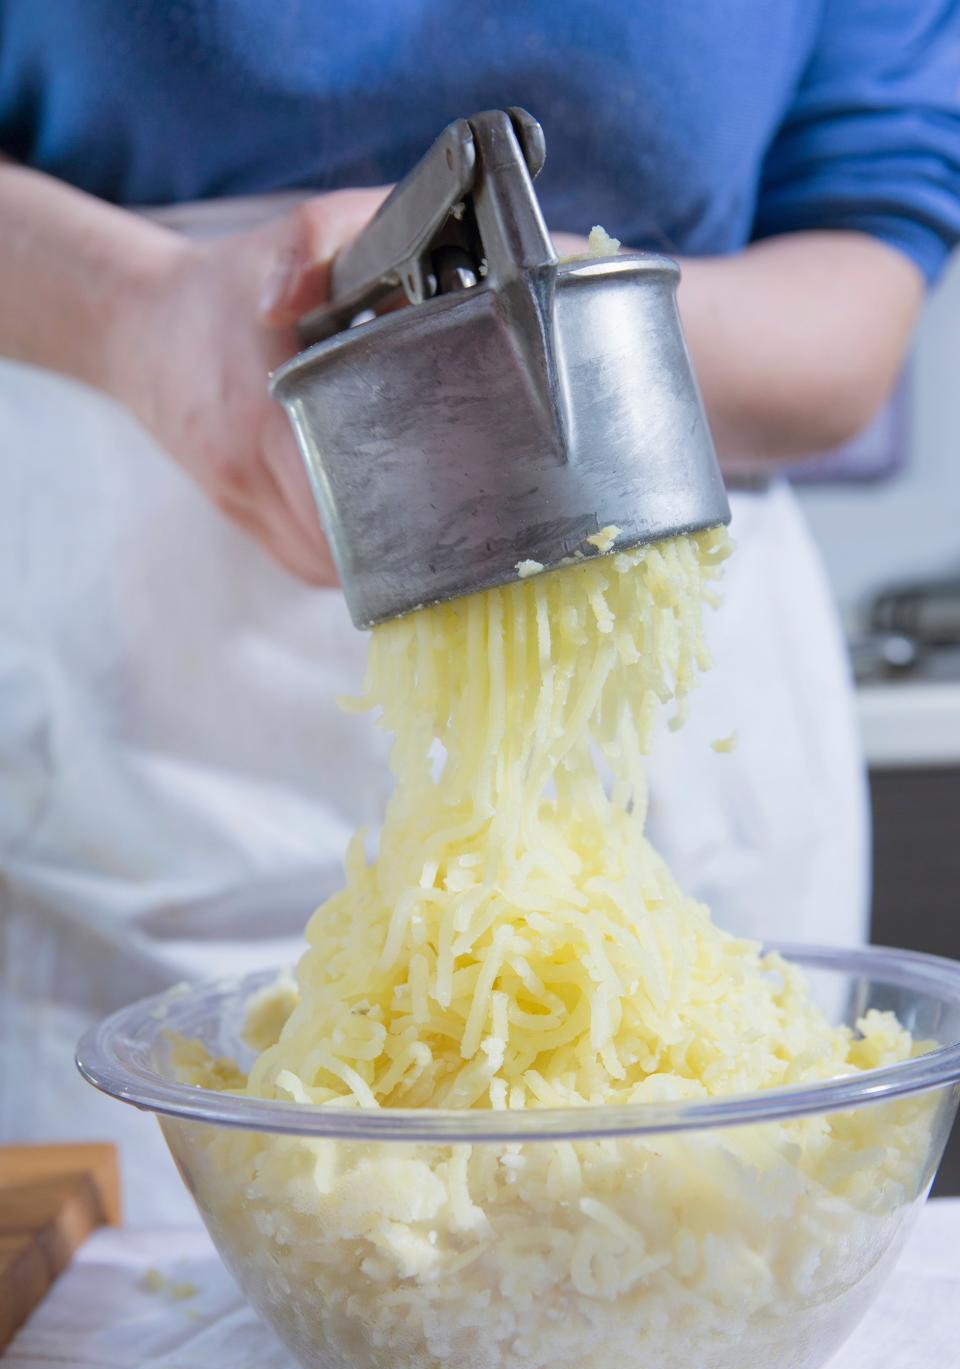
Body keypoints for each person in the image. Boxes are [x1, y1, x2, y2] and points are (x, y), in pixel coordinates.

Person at [1, 2, 959, 1222]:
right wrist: (131, 311)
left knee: (671, 1253)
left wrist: (561, 320)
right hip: (137, 716)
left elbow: (861, 283)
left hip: (673, 737)